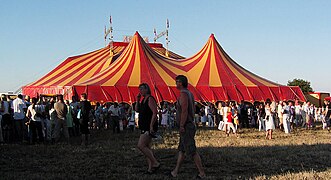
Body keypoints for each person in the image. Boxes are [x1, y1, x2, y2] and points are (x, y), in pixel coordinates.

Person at [170, 75, 205, 178]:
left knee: (192, 150)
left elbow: (184, 111)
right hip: (189, 124)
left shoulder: (184, 95)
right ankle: (175, 171)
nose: (176, 84)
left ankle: (202, 173)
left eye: (177, 82)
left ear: (180, 83)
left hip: (186, 126)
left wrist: (181, 125)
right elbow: (192, 110)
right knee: (182, 149)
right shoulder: (190, 93)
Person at [135, 83, 160, 174]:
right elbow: (137, 110)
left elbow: (154, 112)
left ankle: (155, 163)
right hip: (144, 125)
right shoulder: (143, 100)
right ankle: (150, 169)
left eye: (142, 89)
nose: (140, 91)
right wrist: (137, 100)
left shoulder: (150, 99)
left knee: (141, 145)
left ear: (147, 89)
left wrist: (151, 126)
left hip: (148, 126)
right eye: (139, 89)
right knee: (147, 148)